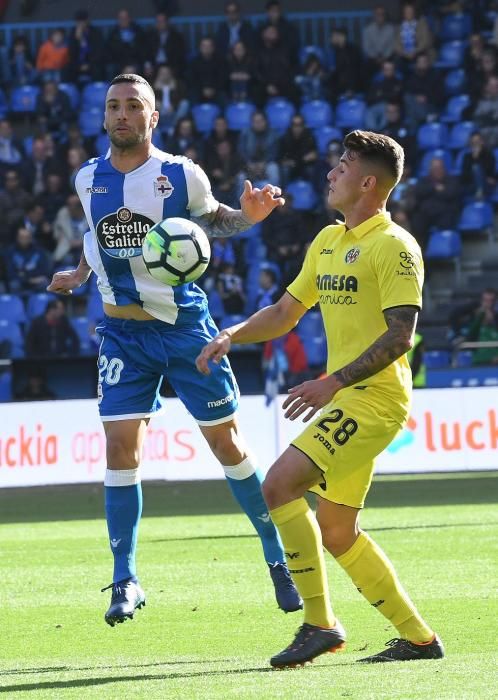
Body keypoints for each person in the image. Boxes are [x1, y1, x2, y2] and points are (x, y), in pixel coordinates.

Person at [46, 73, 301, 627]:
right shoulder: (87, 178)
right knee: (119, 449)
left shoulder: (180, 174)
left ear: (152, 117)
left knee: (227, 444)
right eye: (112, 106)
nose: (121, 115)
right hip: (122, 335)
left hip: (185, 329)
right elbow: (99, 237)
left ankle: (278, 559)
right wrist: (80, 272)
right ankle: (125, 577)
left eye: (133, 106)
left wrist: (248, 217)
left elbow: (214, 224)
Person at [196, 130, 444, 667]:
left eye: (344, 164)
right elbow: (286, 312)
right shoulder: (328, 242)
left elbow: (401, 334)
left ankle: (319, 624)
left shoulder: (395, 246)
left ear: (368, 182)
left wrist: (332, 382)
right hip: (345, 400)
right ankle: (420, 639)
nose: (332, 172)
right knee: (336, 531)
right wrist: (232, 334)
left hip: (374, 401)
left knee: (279, 484)